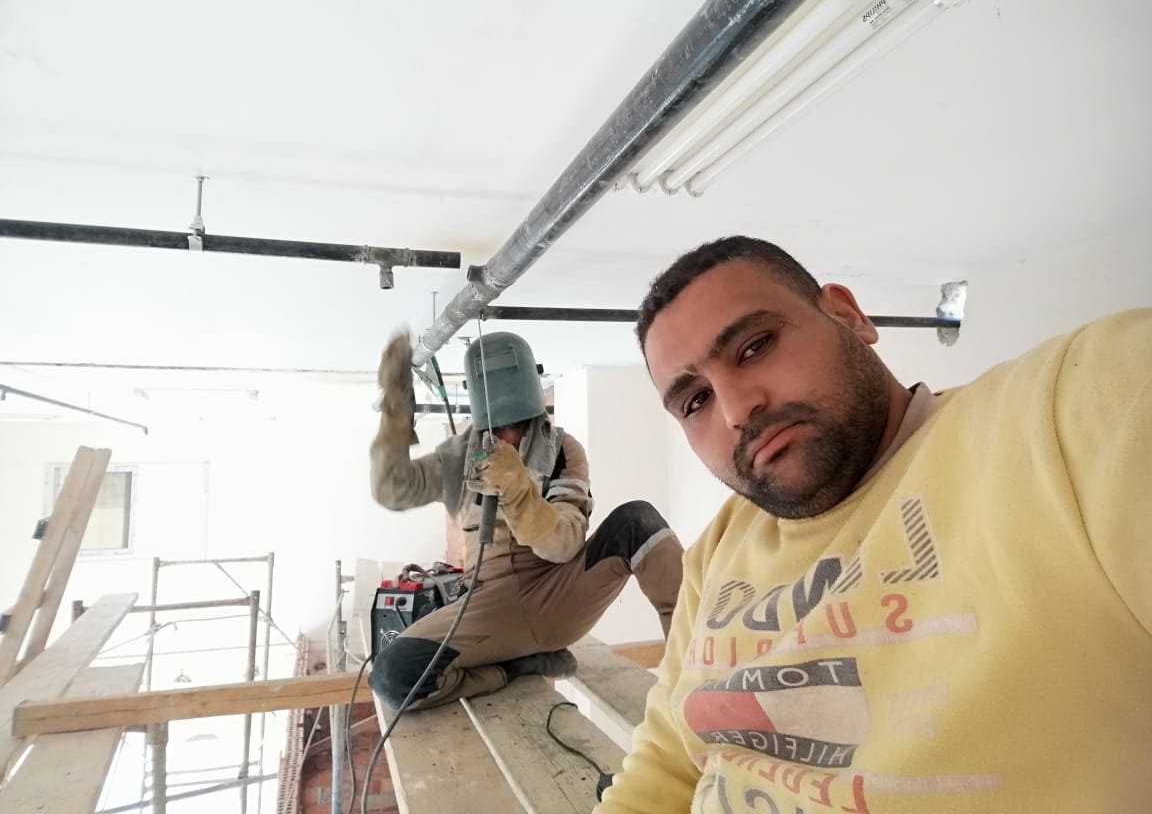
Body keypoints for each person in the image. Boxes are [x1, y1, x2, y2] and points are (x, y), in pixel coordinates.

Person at [595, 235, 1151, 813]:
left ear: (848, 315)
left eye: (755, 346)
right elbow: (664, 766)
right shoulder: (717, 548)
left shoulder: (1075, 406)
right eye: (695, 401)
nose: (737, 411)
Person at [368, 330, 683, 710]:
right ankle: (512, 668)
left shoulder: (562, 450)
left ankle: (695, 670)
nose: (507, 435)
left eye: (516, 423)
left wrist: (518, 491)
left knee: (639, 521)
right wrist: (395, 412)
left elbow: (564, 544)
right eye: (497, 426)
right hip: (487, 606)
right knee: (393, 676)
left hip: (556, 593)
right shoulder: (461, 454)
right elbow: (394, 489)